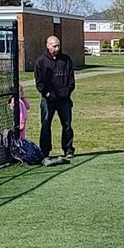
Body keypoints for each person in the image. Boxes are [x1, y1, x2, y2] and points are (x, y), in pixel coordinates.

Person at [33, 35, 76, 166]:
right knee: (46, 125)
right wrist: (47, 94)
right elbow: (39, 82)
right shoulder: (41, 61)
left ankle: (68, 149)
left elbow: (71, 80)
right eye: (54, 46)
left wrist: (66, 92)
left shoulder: (66, 60)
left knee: (67, 125)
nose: (57, 48)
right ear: (48, 45)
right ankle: (45, 151)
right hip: (48, 100)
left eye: (58, 45)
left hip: (64, 99)